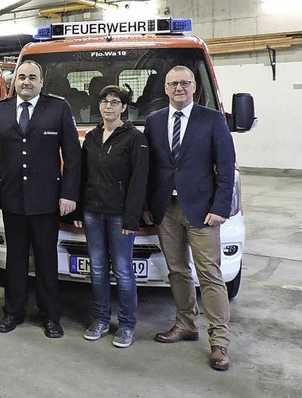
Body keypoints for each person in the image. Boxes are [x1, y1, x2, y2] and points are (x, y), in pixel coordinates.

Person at [143, 65, 236, 370]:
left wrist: (221, 207)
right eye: (173, 84)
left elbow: (226, 165)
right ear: (165, 88)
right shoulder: (154, 122)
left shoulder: (211, 120)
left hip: (202, 211)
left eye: (185, 83)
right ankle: (186, 324)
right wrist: (147, 205)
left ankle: (220, 342)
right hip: (165, 210)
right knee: (177, 271)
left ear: (195, 87)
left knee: (209, 274)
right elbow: (150, 169)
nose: (179, 88)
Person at [0, 60, 81, 338]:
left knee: (47, 260)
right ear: (16, 81)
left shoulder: (58, 109)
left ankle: (50, 316)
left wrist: (69, 194)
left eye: (32, 77)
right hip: (11, 200)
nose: (26, 81)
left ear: (41, 82)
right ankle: (13, 312)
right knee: (15, 260)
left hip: (47, 201)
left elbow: (73, 157)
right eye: (22, 77)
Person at [73, 85, 148, 348]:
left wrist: (131, 218)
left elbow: (139, 181)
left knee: (124, 270)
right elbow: (83, 177)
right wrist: (80, 209)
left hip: (119, 217)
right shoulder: (92, 137)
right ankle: (102, 320)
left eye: (115, 102)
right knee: (97, 269)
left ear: (124, 107)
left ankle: (127, 325)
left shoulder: (134, 138)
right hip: (93, 213)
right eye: (104, 101)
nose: (109, 106)